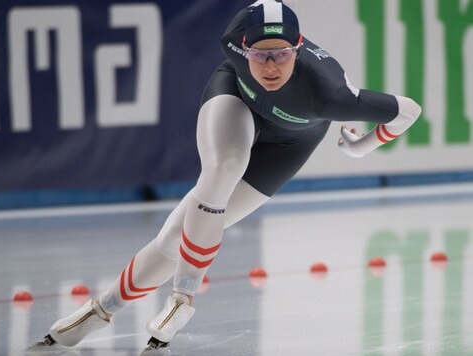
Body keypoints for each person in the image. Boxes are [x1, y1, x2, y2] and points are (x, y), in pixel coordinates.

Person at [32, 0, 422, 351]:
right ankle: (182, 299)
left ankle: (99, 311)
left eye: (282, 55)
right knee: (225, 166)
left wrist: (360, 147)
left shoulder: (330, 93)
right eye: (259, 55)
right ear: (242, 48)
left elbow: (409, 111)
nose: (270, 67)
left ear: (298, 49)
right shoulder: (231, 41)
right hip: (236, 99)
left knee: (172, 239)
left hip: (291, 143)